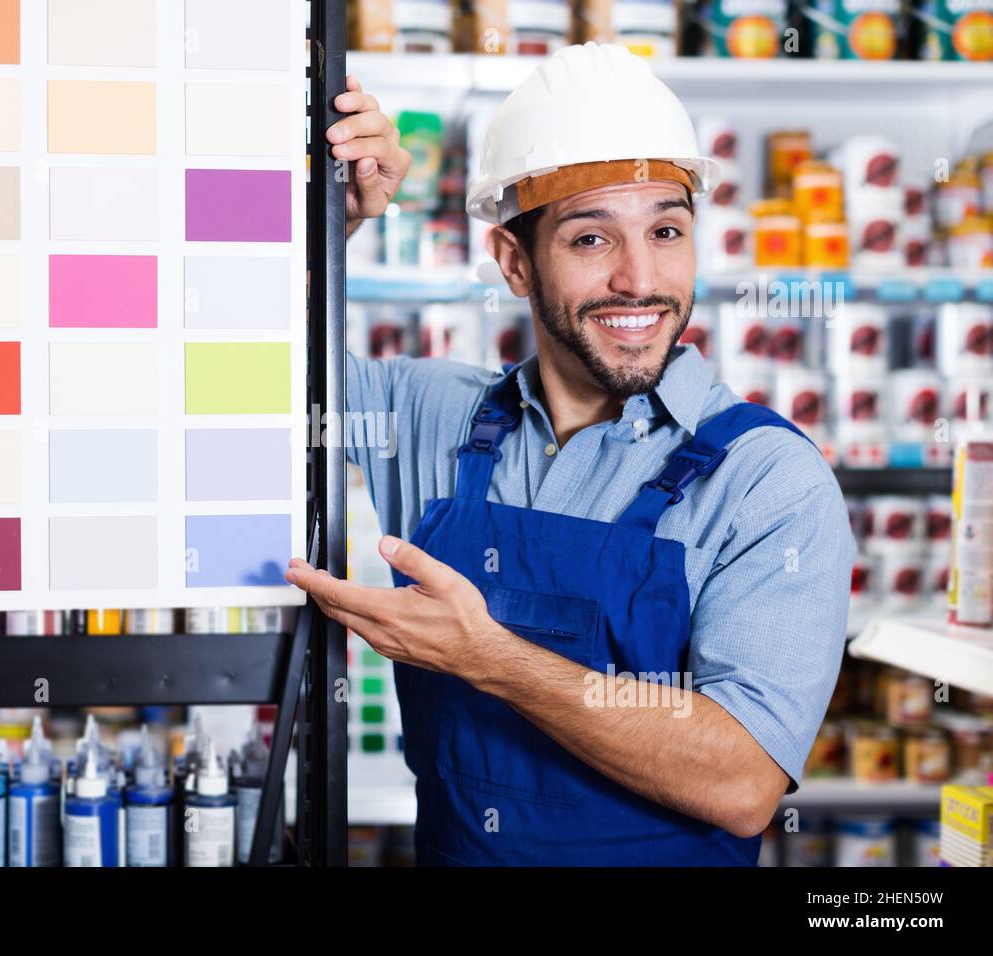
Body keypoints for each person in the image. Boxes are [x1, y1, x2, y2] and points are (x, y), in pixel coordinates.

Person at [285, 43, 855, 866]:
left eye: (666, 231)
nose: (639, 279)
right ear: (515, 263)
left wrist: (489, 658)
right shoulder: (430, 414)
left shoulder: (766, 478)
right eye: (592, 239)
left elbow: (742, 781)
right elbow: (242, 372)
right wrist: (329, 227)